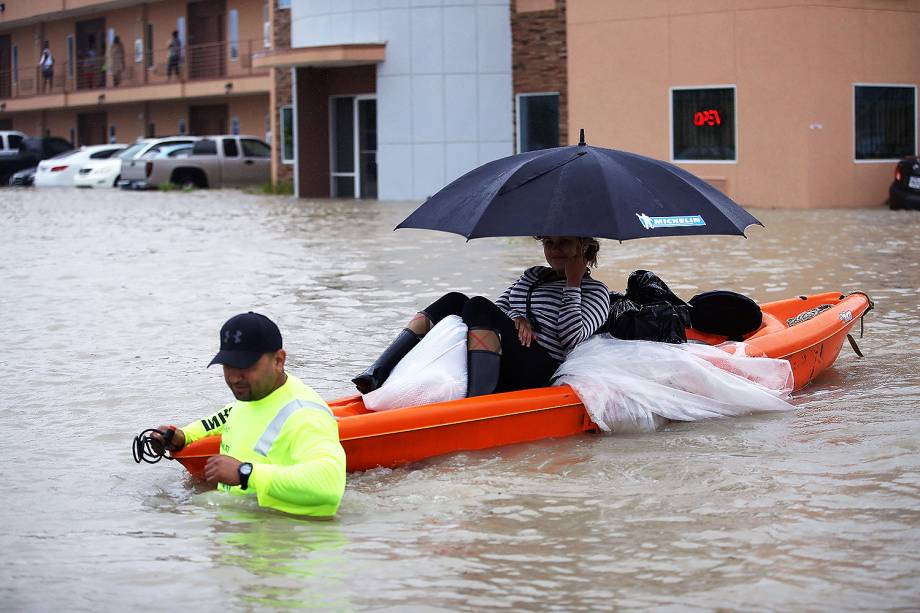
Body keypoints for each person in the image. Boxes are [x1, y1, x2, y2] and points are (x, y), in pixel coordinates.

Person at [353, 237, 611, 398]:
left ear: (583, 246)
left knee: (476, 304)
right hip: (510, 352)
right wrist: (517, 317)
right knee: (456, 300)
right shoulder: (533, 275)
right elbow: (498, 307)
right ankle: (377, 373)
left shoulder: (595, 291)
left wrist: (573, 283)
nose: (555, 250)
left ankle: (477, 401)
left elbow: (570, 339)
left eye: (564, 242)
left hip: (540, 367)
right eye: (549, 243)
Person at [150, 312, 346, 517]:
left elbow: (330, 487)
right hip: (242, 530)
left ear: (279, 360)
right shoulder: (253, 396)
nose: (234, 378)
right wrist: (182, 436)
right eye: (228, 366)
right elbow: (223, 418)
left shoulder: (305, 415)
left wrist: (246, 473)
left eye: (245, 366)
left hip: (284, 537)